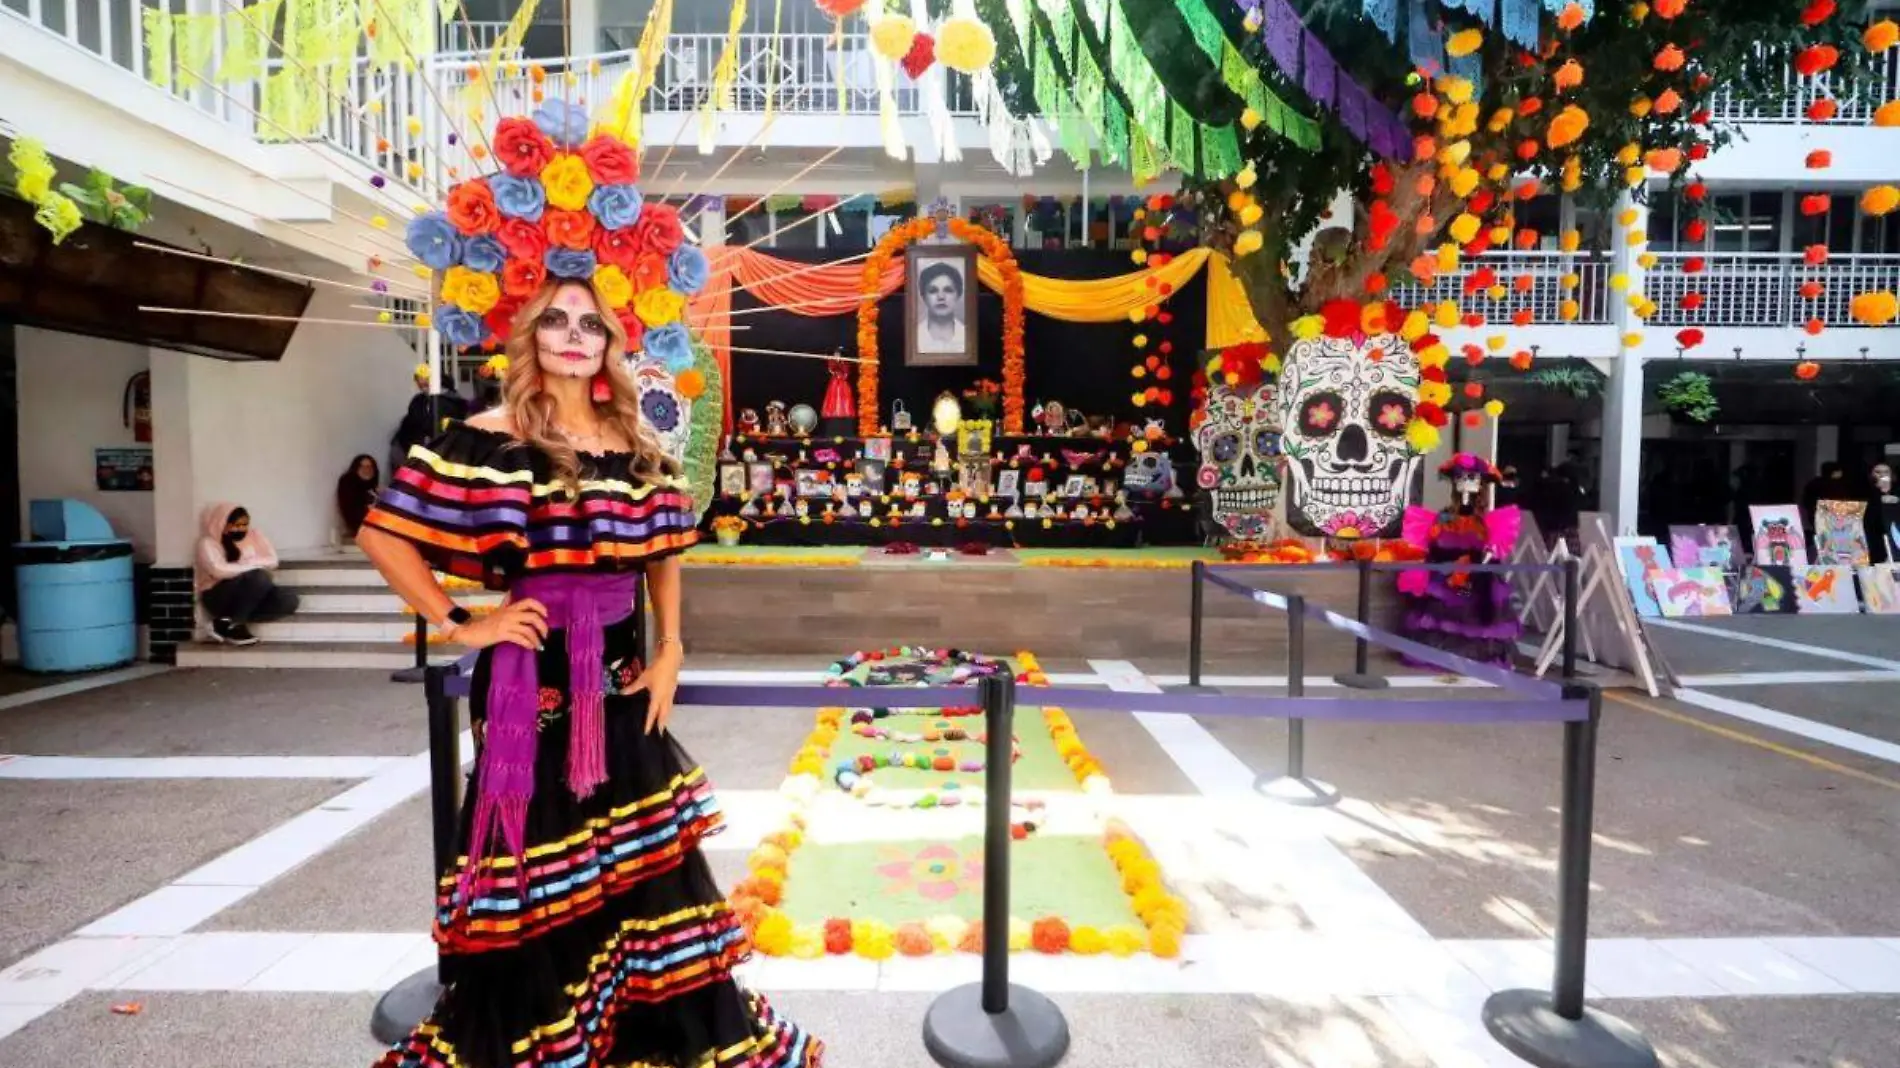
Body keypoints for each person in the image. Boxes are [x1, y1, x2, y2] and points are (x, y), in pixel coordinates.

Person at [357, 279, 821, 1068]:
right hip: (525, 679)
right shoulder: (488, 436)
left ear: (609, 344)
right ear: (532, 338)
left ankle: (640, 1032)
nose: (574, 336)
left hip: (620, 672)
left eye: (590, 325)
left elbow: (663, 555)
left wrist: (672, 647)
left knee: (637, 860)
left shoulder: (633, 441)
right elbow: (383, 536)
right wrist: (465, 622)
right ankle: (548, 1041)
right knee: (538, 860)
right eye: (557, 322)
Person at [196, 503, 299, 646]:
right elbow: (218, 570)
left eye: (244, 525)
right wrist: (250, 567)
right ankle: (237, 624)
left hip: (250, 593)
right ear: (222, 523)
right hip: (218, 595)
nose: (241, 529)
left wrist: (247, 567)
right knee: (260, 576)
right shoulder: (208, 543)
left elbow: (273, 560)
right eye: (235, 525)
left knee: (288, 599)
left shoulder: (254, 536)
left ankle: (227, 622)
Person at [915, 261, 966, 354]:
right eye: (933, 291)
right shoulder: (912, 337)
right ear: (923, 296)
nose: (941, 296)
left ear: (958, 294)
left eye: (948, 290)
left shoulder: (968, 336)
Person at [335, 454, 380, 538]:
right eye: (362, 466)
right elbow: (354, 512)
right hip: (363, 530)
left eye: (370, 467)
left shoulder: (372, 488)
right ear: (355, 468)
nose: (366, 470)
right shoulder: (348, 484)